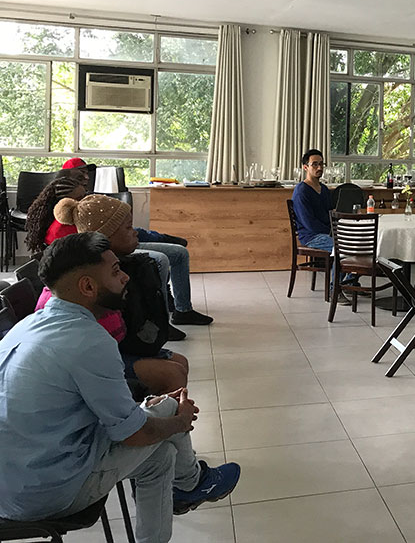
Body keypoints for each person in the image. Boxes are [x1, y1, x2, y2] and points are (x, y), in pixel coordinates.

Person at [0, 232, 239, 542]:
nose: (125, 277)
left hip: (14, 483)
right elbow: (133, 434)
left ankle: (187, 486)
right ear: (88, 286)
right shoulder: (89, 340)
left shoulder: (29, 325)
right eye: (115, 271)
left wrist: (150, 414)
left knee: (161, 455)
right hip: (45, 493)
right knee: (168, 410)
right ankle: (191, 483)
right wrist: (179, 421)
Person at [52, 194, 190, 392]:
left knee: (180, 362)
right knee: (173, 373)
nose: (135, 233)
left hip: (115, 347)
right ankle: (158, 410)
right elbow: (111, 344)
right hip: (93, 358)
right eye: (128, 228)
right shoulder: (98, 278)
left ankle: (162, 407)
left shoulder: (119, 266)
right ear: (105, 237)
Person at [60, 158, 211, 328]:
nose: (87, 177)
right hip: (111, 248)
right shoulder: (67, 213)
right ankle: (160, 322)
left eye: (86, 173)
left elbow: (120, 228)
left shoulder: (89, 200)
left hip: (121, 242)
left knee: (178, 252)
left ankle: (183, 310)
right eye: (81, 173)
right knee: (160, 258)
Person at [292, 149, 356, 295]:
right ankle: (335, 289)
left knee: (358, 243)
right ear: (305, 167)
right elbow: (309, 224)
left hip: (327, 232)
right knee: (342, 247)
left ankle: (349, 283)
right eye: (315, 164)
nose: (319, 167)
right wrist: (333, 233)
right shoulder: (302, 191)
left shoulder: (324, 189)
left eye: (321, 164)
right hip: (311, 236)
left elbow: (330, 214)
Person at [23, 167, 89, 255]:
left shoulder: (55, 222)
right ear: (63, 203)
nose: (84, 202)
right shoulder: (64, 228)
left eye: (85, 197)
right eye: (79, 199)